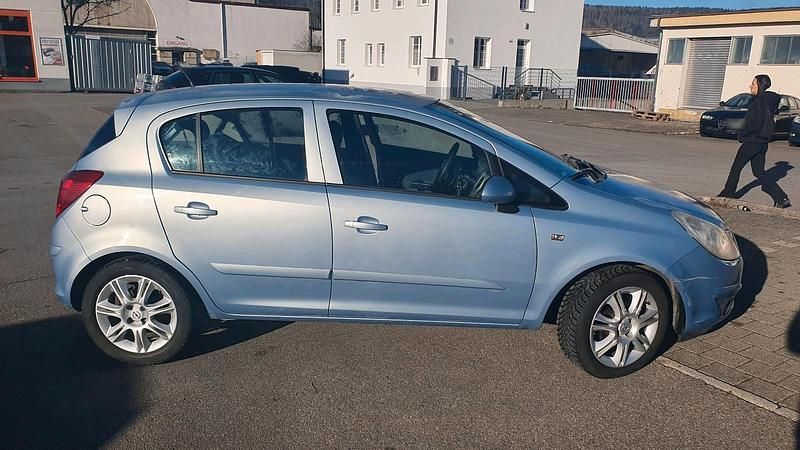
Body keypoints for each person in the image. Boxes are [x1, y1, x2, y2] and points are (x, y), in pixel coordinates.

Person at [718, 75, 791, 209]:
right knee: (759, 172)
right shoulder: (768, 101)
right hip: (762, 142)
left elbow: (754, 123)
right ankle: (781, 198)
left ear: (760, 86)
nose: (750, 86)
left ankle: (727, 194)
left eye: (753, 84)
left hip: (752, 141)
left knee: (736, 168)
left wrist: (742, 134)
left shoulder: (759, 101)